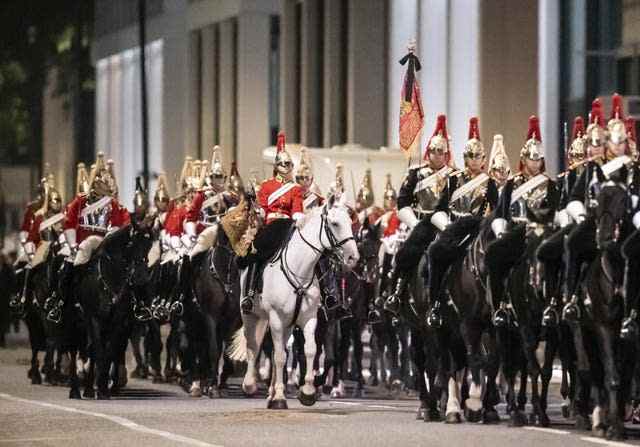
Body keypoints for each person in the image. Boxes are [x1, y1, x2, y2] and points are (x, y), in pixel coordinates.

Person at [424, 117, 498, 327]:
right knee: (435, 252)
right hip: (455, 228)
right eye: (470, 156)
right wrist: (448, 228)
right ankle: (435, 304)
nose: (474, 160)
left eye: (478, 156)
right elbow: (440, 209)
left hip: (480, 228)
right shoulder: (454, 179)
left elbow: (498, 208)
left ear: (483, 159)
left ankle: (503, 304)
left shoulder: (489, 183)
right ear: (464, 158)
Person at [487, 116, 559, 327]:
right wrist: (501, 232)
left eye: (539, 159)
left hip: (543, 232)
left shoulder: (551, 185)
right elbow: (500, 213)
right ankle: (500, 304)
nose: (535, 163)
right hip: (517, 231)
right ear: (524, 158)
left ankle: (557, 301)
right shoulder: (511, 184)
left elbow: (556, 211)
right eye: (531, 158)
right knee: (493, 253)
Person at [384, 114, 457, 315]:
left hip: (446, 225)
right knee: (407, 253)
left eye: (440, 152)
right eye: (433, 151)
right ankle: (396, 293)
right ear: (428, 152)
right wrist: (415, 222)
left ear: (446, 154)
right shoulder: (416, 174)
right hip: (419, 223)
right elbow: (402, 202)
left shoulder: (454, 177)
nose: (436, 155)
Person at [240, 132, 304, 314]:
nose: (287, 167)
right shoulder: (267, 186)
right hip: (271, 225)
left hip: (288, 226)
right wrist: (256, 207)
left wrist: (299, 218)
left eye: (289, 164)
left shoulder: (296, 189)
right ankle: (249, 294)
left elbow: (297, 209)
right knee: (256, 251)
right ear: (276, 166)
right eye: (284, 164)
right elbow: (262, 211)